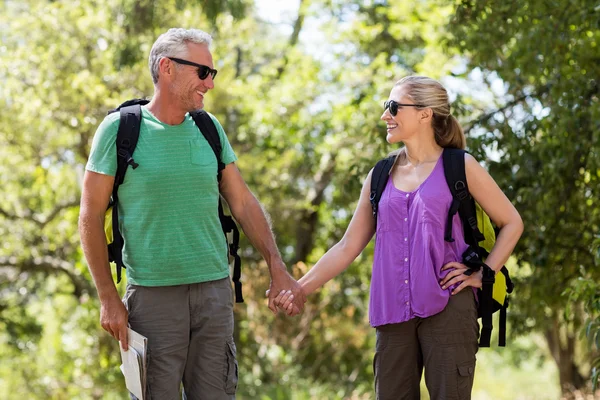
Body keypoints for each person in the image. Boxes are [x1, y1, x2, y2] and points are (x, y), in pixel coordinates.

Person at [79, 28, 305, 399]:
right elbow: (89, 216)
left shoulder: (208, 128)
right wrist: (107, 296)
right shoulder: (120, 130)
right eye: (203, 72)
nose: (210, 84)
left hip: (214, 295)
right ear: (167, 67)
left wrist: (276, 265)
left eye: (212, 74)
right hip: (152, 298)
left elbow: (243, 202)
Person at [274, 75, 524, 399]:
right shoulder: (380, 175)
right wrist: (300, 288)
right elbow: (348, 245)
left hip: (449, 305)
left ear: (425, 113)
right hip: (392, 313)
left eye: (393, 107)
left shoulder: (460, 165)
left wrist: (484, 273)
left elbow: (512, 222)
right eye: (385, 107)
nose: (385, 116)